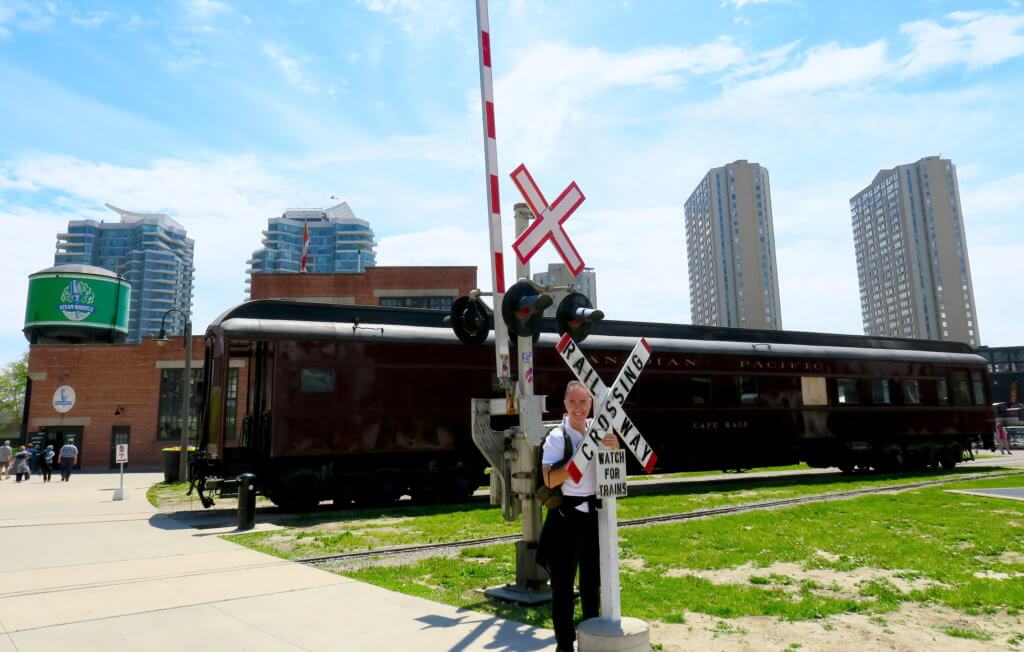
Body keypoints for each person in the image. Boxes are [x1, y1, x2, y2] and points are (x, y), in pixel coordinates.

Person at [536, 380, 620, 652]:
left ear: (591, 404)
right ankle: (565, 644)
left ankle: (592, 635)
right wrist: (574, 464)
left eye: (583, 402)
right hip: (565, 518)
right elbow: (549, 479)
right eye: (572, 402)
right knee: (562, 586)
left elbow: (612, 470)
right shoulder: (558, 437)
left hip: (591, 518)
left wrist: (615, 447)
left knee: (592, 583)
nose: (578, 408)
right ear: (564, 404)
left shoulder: (599, 430)